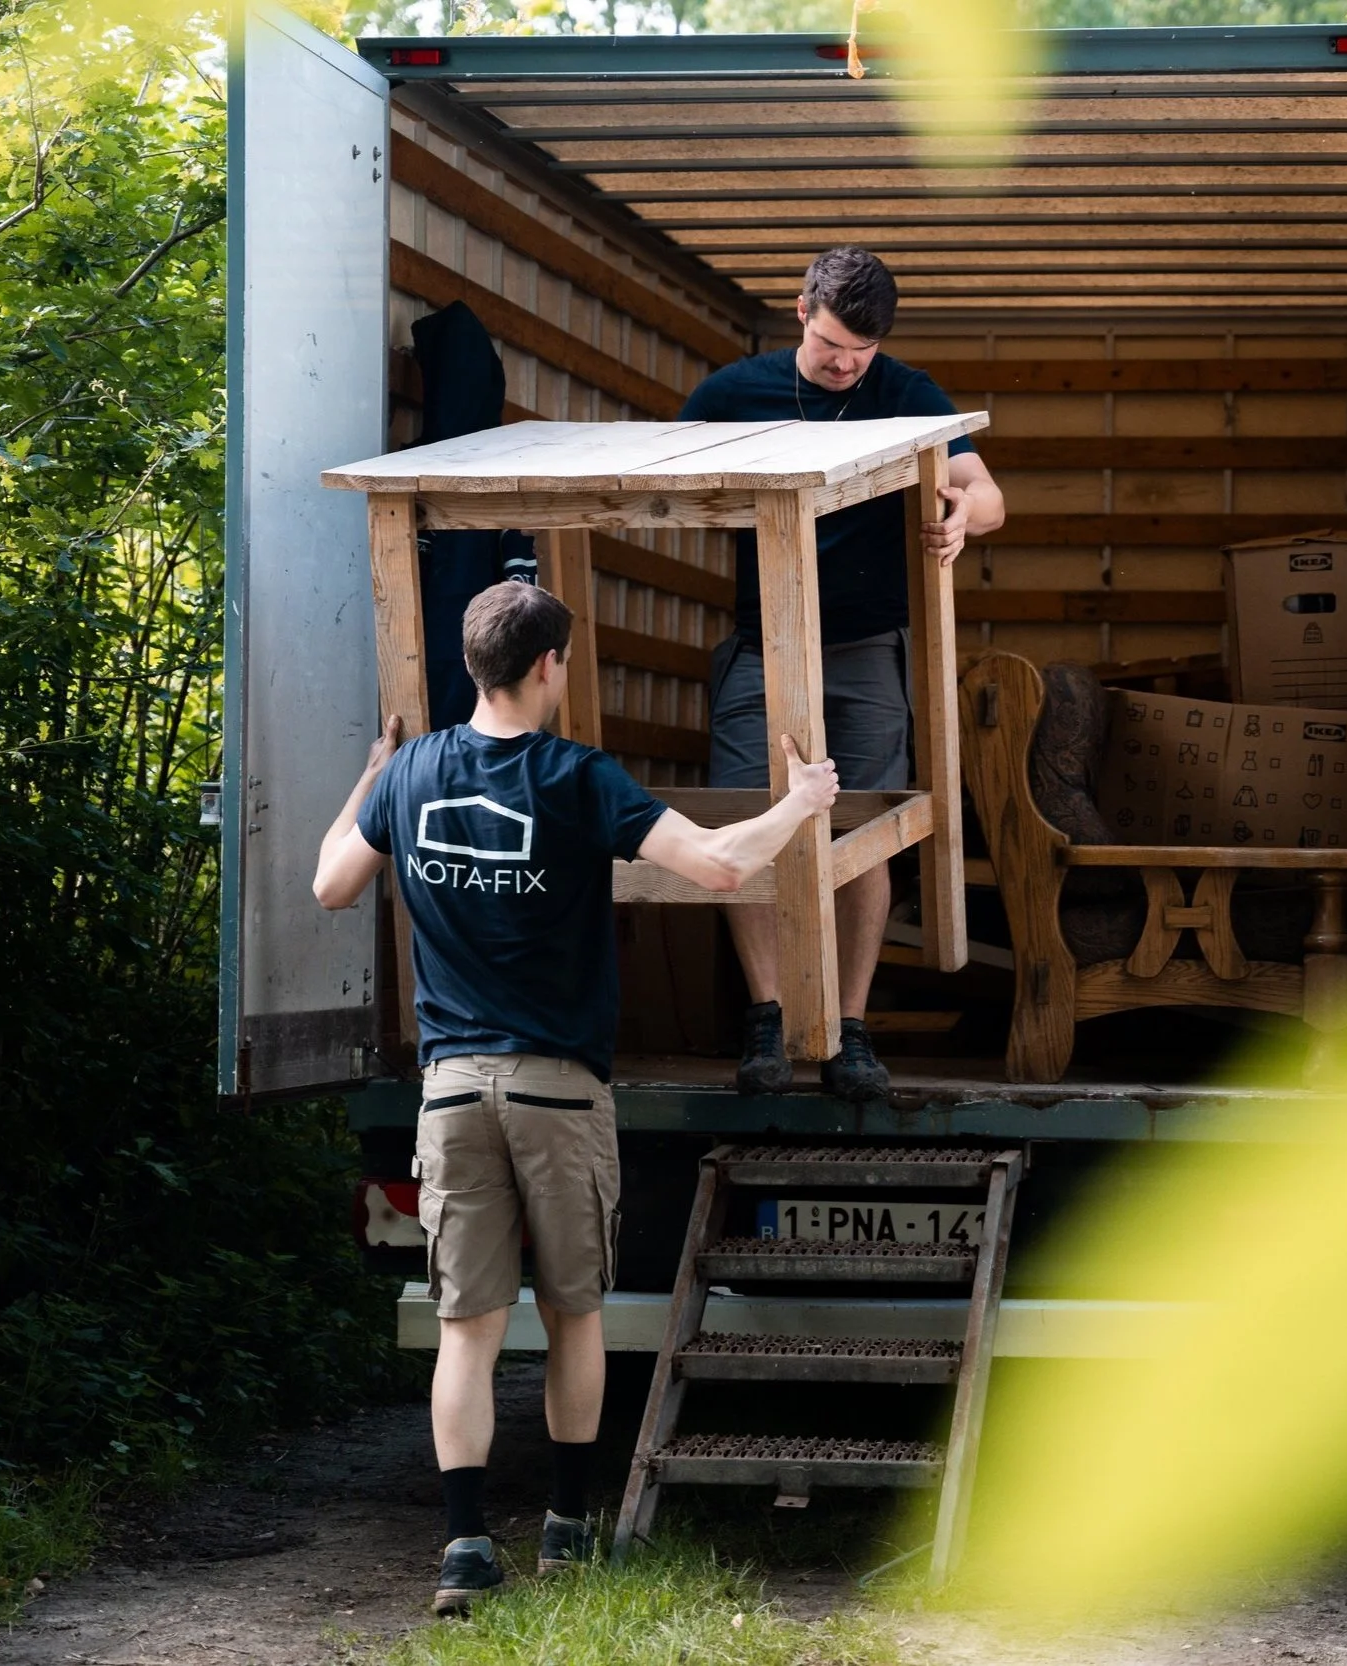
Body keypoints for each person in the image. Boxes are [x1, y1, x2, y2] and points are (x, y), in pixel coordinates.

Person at [311, 582, 838, 1616]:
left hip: (450, 1093)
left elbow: (330, 883)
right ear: (550, 664)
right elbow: (720, 866)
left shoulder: (411, 774)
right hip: (556, 1092)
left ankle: (465, 1548)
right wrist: (803, 801)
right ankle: (563, 1529)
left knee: (466, 1329)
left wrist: (369, 778)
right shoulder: (577, 776)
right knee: (574, 1317)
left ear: (475, 664)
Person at [679, 245, 1006, 1101]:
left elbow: (988, 493)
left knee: (866, 830)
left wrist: (962, 514)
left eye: (862, 351)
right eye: (831, 345)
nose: (845, 365)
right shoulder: (731, 393)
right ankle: (768, 1018)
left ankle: (850, 1031)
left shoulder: (907, 392)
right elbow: (667, 482)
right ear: (801, 313)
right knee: (744, 819)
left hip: (866, 646)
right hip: (762, 642)